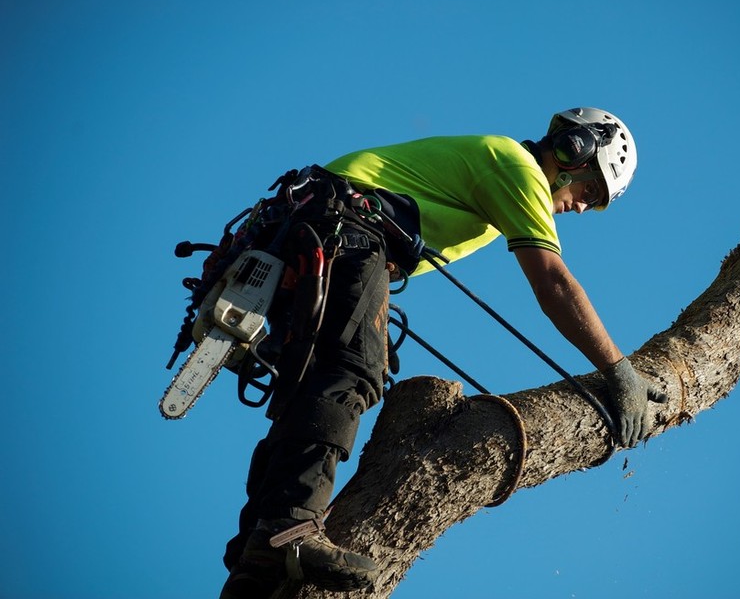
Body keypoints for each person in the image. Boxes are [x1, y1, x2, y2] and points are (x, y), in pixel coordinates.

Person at [219, 107, 666, 598]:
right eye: (590, 191)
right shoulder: (516, 166)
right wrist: (619, 372)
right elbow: (554, 283)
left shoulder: (498, 168)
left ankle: (256, 558)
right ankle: (288, 527)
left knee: (315, 384)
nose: (582, 207)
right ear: (573, 151)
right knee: (352, 371)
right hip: (346, 228)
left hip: (317, 230)